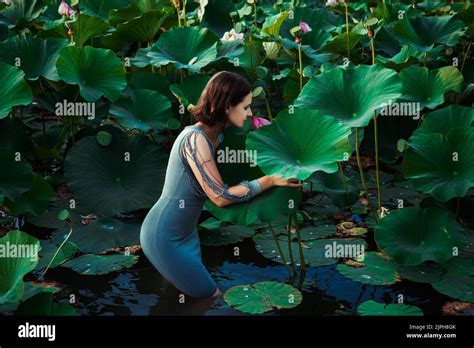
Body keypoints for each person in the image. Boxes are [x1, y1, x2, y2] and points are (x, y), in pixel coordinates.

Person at [140, 71, 302, 302]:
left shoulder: (217, 135)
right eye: (245, 107)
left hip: (187, 233)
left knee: (177, 296)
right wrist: (269, 180)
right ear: (227, 107)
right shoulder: (195, 140)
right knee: (210, 297)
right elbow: (220, 196)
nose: (249, 113)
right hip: (164, 236)